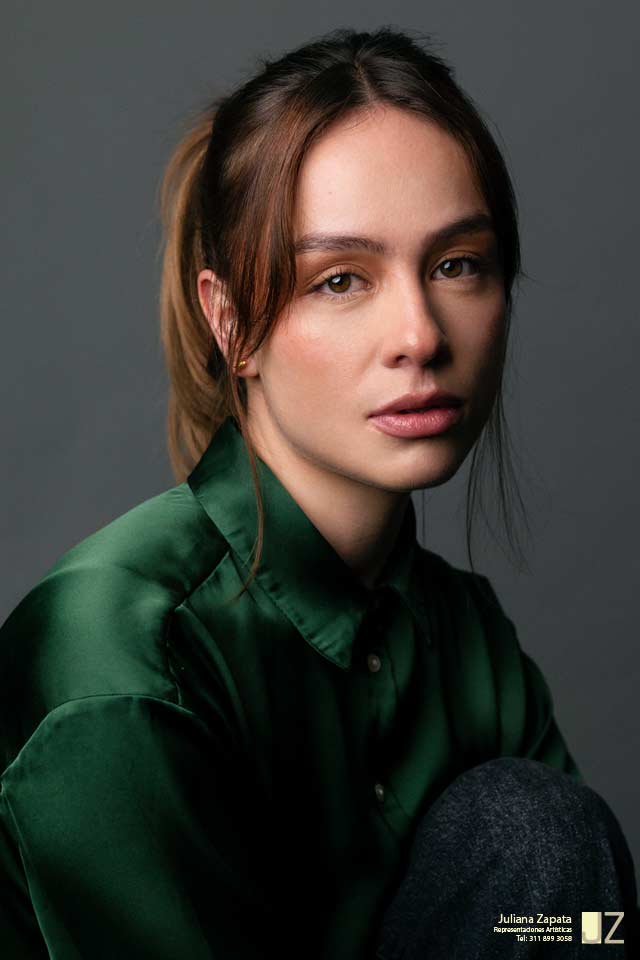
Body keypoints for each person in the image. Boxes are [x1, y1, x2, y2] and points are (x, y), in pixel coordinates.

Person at [0, 25, 637, 960]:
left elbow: (595, 928)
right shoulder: (117, 658)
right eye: (341, 280)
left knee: (542, 831)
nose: (419, 335)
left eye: (457, 264)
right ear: (230, 324)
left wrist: (586, 929)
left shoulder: (463, 638)